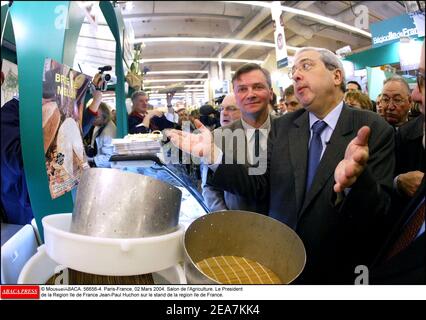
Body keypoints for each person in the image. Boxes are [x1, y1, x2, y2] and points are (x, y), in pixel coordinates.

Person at [167, 47, 394, 284]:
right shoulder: (284, 127)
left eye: (305, 66)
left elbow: (382, 214)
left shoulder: (373, 129)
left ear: (336, 76)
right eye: (293, 71)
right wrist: (213, 155)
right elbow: (258, 185)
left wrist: (358, 181)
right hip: (277, 265)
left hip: (336, 271)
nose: (296, 75)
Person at [369, 40, 425, 284]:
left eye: (398, 100)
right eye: (385, 99)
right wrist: (397, 181)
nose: (389, 106)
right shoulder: (389, 136)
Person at [201, 85, 271, 214]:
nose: (224, 113)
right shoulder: (216, 138)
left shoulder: (270, 134)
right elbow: (208, 186)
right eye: (221, 109)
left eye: (231, 109)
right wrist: (223, 214)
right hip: (233, 221)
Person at [85, 102, 117, 168]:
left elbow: (110, 157)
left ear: (105, 116)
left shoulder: (108, 132)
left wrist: (91, 160)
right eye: (91, 117)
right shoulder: (98, 126)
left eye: (96, 117)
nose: (92, 120)